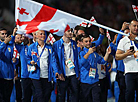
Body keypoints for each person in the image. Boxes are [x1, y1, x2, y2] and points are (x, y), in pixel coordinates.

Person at [27, 30, 59, 102]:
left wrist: (56, 71)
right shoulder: (32, 47)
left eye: (44, 34)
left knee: (46, 94)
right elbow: (27, 58)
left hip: (47, 75)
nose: (43, 35)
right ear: (36, 35)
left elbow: (53, 60)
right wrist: (30, 62)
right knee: (39, 94)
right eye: (41, 34)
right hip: (35, 75)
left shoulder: (49, 47)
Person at [79, 34, 111, 102]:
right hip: (85, 81)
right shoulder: (81, 53)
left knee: (96, 99)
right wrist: (88, 53)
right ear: (82, 43)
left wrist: (107, 53)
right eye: (86, 41)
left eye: (89, 41)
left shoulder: (94, 54)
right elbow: (82, 62)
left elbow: (102, 61)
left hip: (95, 80)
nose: (88, 43)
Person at [53, 28, 79, 102]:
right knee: (61, 96)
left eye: (71, 31)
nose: (71, 32)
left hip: (73, 73)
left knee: (74, 96)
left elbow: (77, 58)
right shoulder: (56, 44)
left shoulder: (74, 43)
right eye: (68, 31)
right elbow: (54, 60)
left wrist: (78, 72)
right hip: (62, 74)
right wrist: (58, 72)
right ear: (63, 32)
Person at [116, 20, 138, 102]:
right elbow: (117, 56)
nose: (136, 28)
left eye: (137, 26)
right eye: (134, 26)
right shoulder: (123, 41)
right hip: (130, 72)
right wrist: (126, 54)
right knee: (130, 94)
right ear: (129, 27)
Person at [0, 35, 18, 102]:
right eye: (2, 34)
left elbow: (16, 58)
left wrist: (15, 61)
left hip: (10, 75)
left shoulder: (11, 46)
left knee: (8, 96)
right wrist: (4, 43)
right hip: (1, 76)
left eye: (6, 34)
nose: (4, 35)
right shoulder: (2, 45)